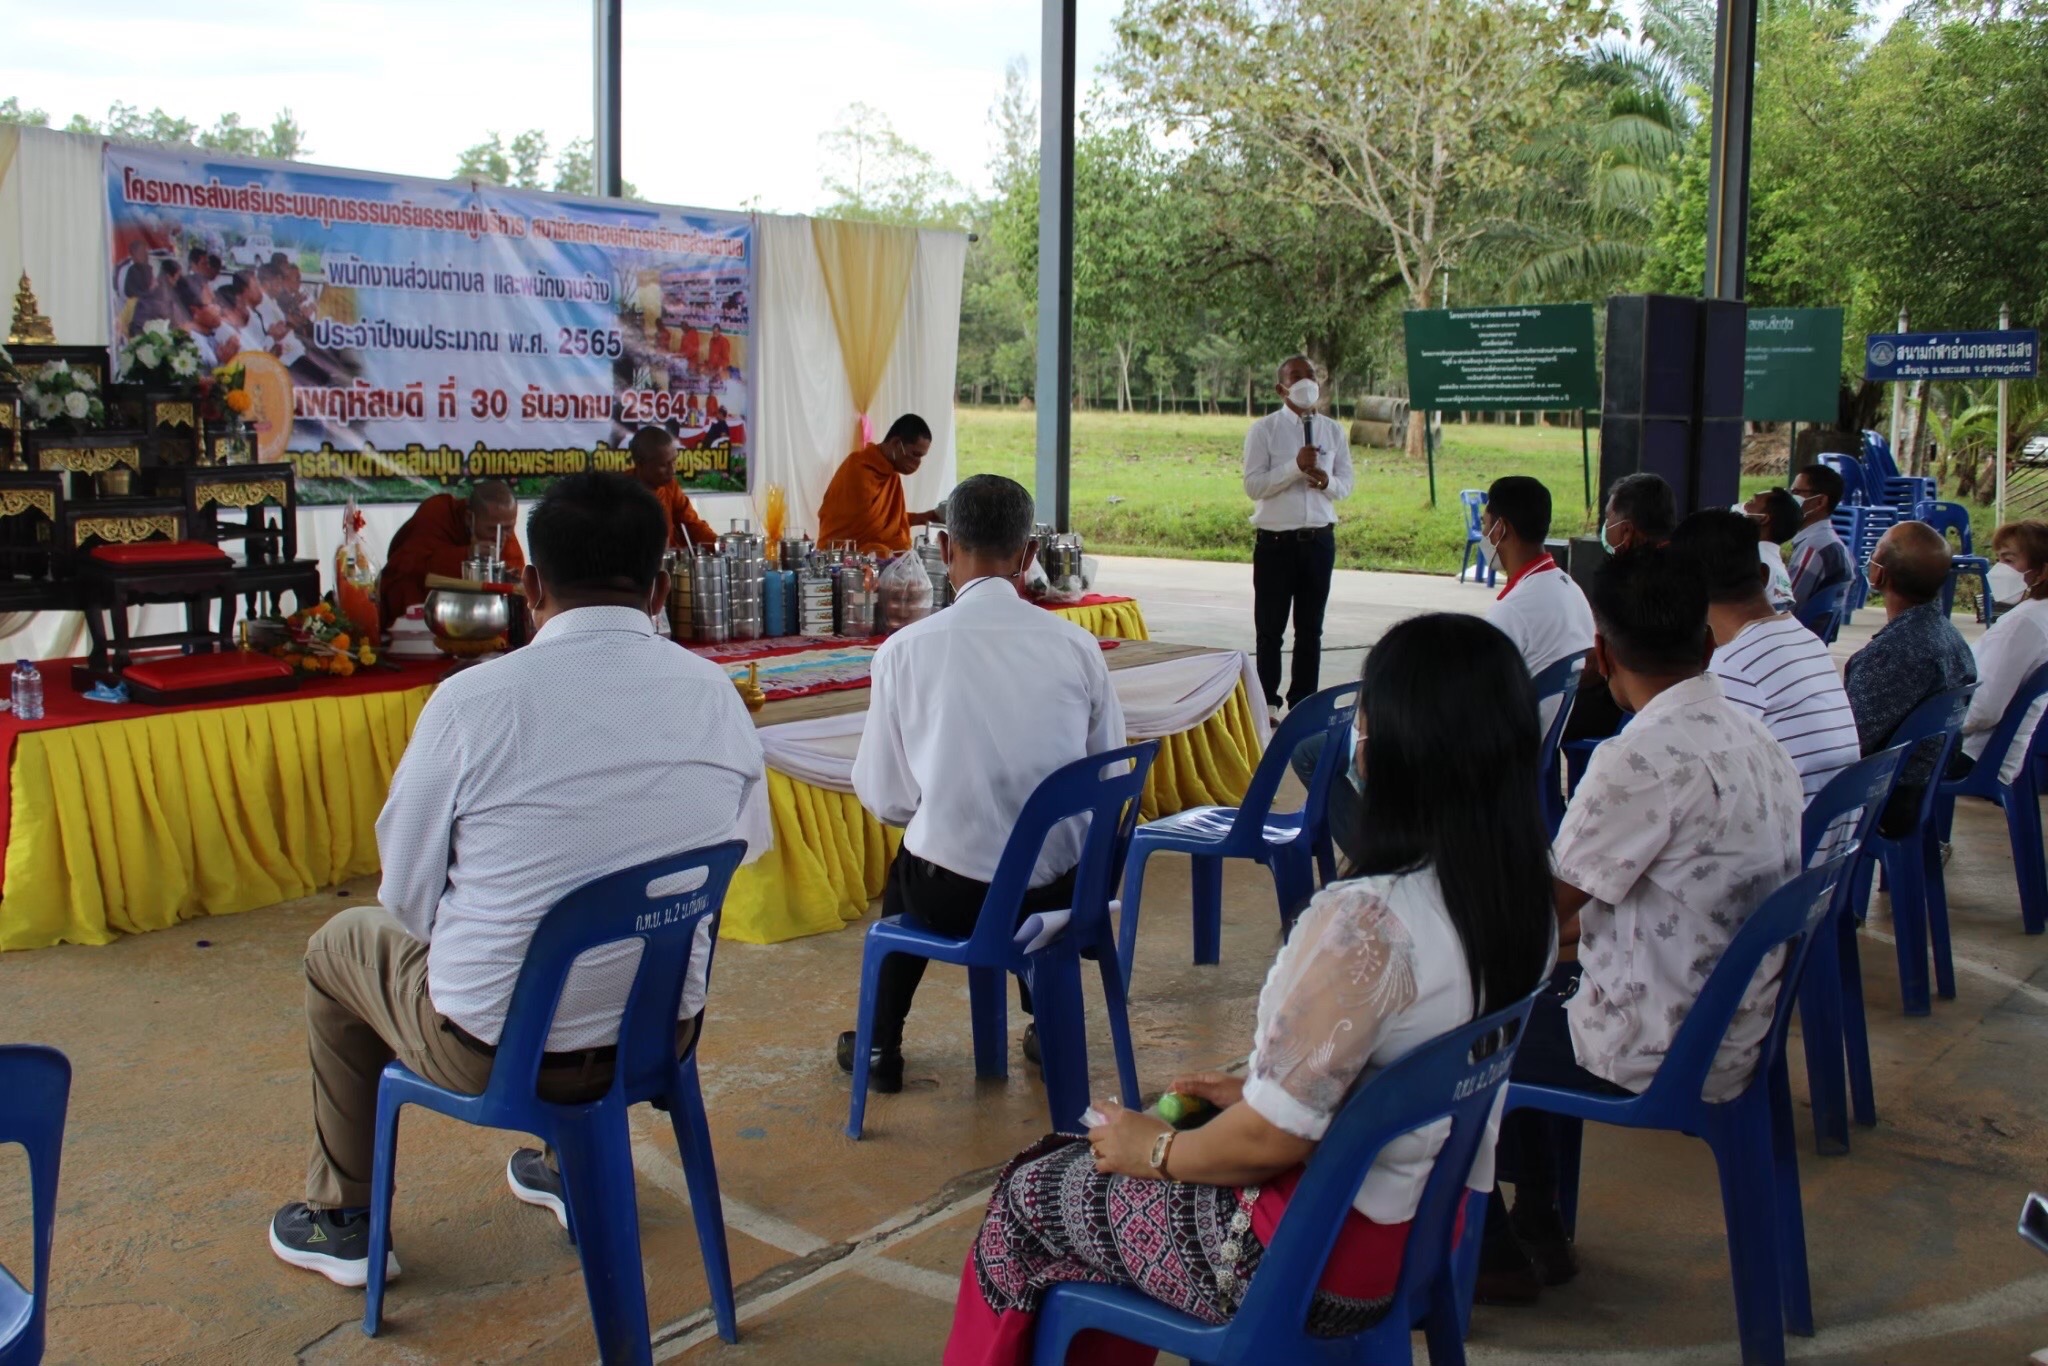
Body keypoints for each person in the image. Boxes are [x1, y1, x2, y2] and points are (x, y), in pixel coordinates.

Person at [944, 613, 1554, 1365]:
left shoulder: (1368, 923)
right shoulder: (1520, 898)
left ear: (1400, 751)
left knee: (1032, 1195)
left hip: (1301, 1256)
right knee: (1100, 1173)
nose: (1355, 742)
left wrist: (1157, 1149)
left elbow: (1271, 1141)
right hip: (1421, 1229)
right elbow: (1382, 1061)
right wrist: (1264, 1089)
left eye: (1366, 721)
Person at [267, 472, 769, 1287]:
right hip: (657, 1039)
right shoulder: (715, 694)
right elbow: (740, 852)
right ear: (660, 589)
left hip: (495, 1054)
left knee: (341, 945)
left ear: (529, 585)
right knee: (599, 923)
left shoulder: (471, 703)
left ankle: (345, 1217)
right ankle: (570, 1164)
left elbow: (406, 900)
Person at [1480, 546, 1803, 1304]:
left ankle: (1489, 1247)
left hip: (1661, 1043)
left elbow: (1543, 908)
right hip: (1735, 1024)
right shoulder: (1757, 738)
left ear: (1600, 653)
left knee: (1454, 1031)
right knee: (1528, 988)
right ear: (1707, 640)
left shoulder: (1641, 758)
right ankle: (1538, 1219)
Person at [840, 474, 1123, 1092]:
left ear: (943, 549)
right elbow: (1111, 778)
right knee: (1021, 848)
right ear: (1028, 555)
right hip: (1061, 899)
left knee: (914, 859)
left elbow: (887, 798)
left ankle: (880, 1042)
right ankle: (1047, 1023)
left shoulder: (904, 651)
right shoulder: (1078, 646)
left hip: (954, 898)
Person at [1671, 509, 1860, 801]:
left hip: (1787, 838)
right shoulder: (1807, 641)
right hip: (1832, 835)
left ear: (1684, 589)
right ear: (1764, 575)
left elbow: (1693, 788)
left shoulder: (1733, 668)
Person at [1842, 521, 1978, 834]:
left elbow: (1847, 742)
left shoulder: (1894, 653)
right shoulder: (1948, 635)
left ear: (1879, 574)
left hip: (1887, 796)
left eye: (1875, 553)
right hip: (1921, 785)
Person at [1243, 355, 1355, 715]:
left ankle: (1304, 702)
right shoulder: (1265, 430)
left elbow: (1346, 484)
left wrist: (1326, 481)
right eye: (1296, 376)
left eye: (1311, 375)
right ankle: (1269, 703)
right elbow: (1253, 485)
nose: (1306, 381)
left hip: (1319, 540)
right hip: (1276, 543)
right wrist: (1295, 468)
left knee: (1310, 630)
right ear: (1281, 388)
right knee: (1270, 630)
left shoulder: (1334, 430)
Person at [1560, 472, 1677, 746]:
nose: (1606, 525)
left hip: (1622, 704)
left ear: (1627, 530)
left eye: (1609, 517)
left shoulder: (1623, 580)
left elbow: (1593, 669)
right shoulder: (1686, 569)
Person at [1957, 520, 2048, 784]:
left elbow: (1983, 711)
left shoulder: (2022, 623)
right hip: (2005, 749)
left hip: (1976, 753)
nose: (1999, 570)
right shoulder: (2036, 614)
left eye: (2009, 560)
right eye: (1998, 559)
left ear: (2041, 571)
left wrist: (1935, 730)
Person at [377, 481, 526, 631]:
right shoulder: (437, 512)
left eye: (509, 528)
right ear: (469, 518)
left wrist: (508, 575)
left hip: (483, 615)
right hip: (434, 611)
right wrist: (466, 554)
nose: (502, 537)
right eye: (492, 529)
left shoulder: (501, 529)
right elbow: (406, 565)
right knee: (405, 583)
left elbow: (517, 578)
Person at [816, 414, 940, 555]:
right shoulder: (859, 470)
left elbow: (888, 521)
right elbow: (873, 528)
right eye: (915, 455)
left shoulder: (891, 474)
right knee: (882, 552)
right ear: (895, 443)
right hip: (838, 559)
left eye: (921, 457)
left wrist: (924, 518)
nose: (917, 463)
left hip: (874, 558)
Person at [626, 425, 719, 550]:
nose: (672, 470)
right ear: (640, 463)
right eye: (663, 465)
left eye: (673, 461)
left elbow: (692, 524)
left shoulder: (670, 485)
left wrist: (721, 546)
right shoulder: (620, 491)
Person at [1787, 463, 1853, 614]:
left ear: (1819, 502)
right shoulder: (1828, 541)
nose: (1790, 499)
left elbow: (1788, 605)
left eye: (1796, 492)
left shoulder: (1813, 548)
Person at [1744, 486, 1801, 612]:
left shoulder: (1750, 560)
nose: (1744, 506)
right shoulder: (1776, 564)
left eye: (1751, 502)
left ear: (1763, 518)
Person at [1989, 519, 2047, 616]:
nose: (1999, 568)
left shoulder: (2027, 615)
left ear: (2040, 568)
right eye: (1997, 560)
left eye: (2008, 560)